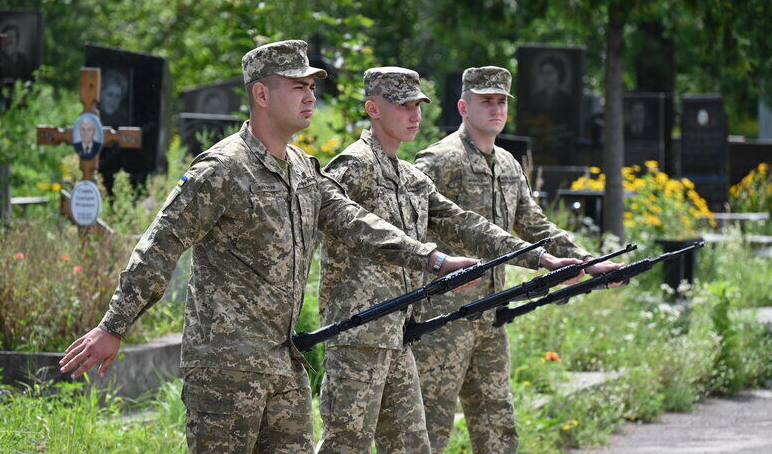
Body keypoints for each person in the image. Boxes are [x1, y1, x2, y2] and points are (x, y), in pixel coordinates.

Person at [59, 40, 477, 454]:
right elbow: (160, 245)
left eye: (312, 87)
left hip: (285, 363)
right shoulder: (223, 168)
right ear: (261, 93)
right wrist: (114, 326)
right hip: (226, 369)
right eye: (298, 87)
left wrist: (433, 259)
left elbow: (356, 223)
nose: (311, 96)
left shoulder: (302, 168)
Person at [317, 67, 584, 454]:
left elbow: (469, 225)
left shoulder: (409, 177)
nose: (415, 115)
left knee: (414, 446)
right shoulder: (354, 166)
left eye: (418, 106)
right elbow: (332, 224)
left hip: (400, 333)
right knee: (346, 444)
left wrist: (542, 258)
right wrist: (435, 259)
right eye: (403, 106)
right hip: (359, 335)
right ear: (373, 109)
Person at [412, 66, 623, 454]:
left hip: (494, 313)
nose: (495, 109)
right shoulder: (439, 160)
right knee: (429, 424)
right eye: (485, 101)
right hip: (443, 317)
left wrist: (589, 261)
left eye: (501, 102)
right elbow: (410, 229)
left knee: (497, 420)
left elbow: (535, 225)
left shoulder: (509, 164)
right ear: (463, 106)